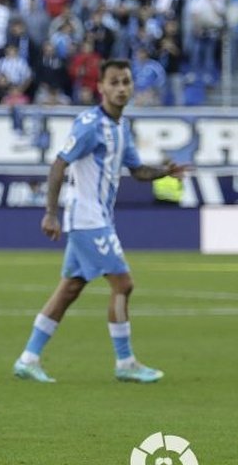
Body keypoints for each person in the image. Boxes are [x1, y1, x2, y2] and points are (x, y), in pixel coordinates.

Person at [12, 59, 186, 384]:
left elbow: (137, 170)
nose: (121, 88)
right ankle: (126, 363)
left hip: (98, 218)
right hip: (87, 219)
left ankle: (28, 358)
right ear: (101, 87)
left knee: (70, 289)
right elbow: (59, 165)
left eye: (126, 82)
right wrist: (50, 212)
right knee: (123, 284)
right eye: (115, 82)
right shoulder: (90, 124)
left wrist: (165, 171)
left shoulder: (121, 127)